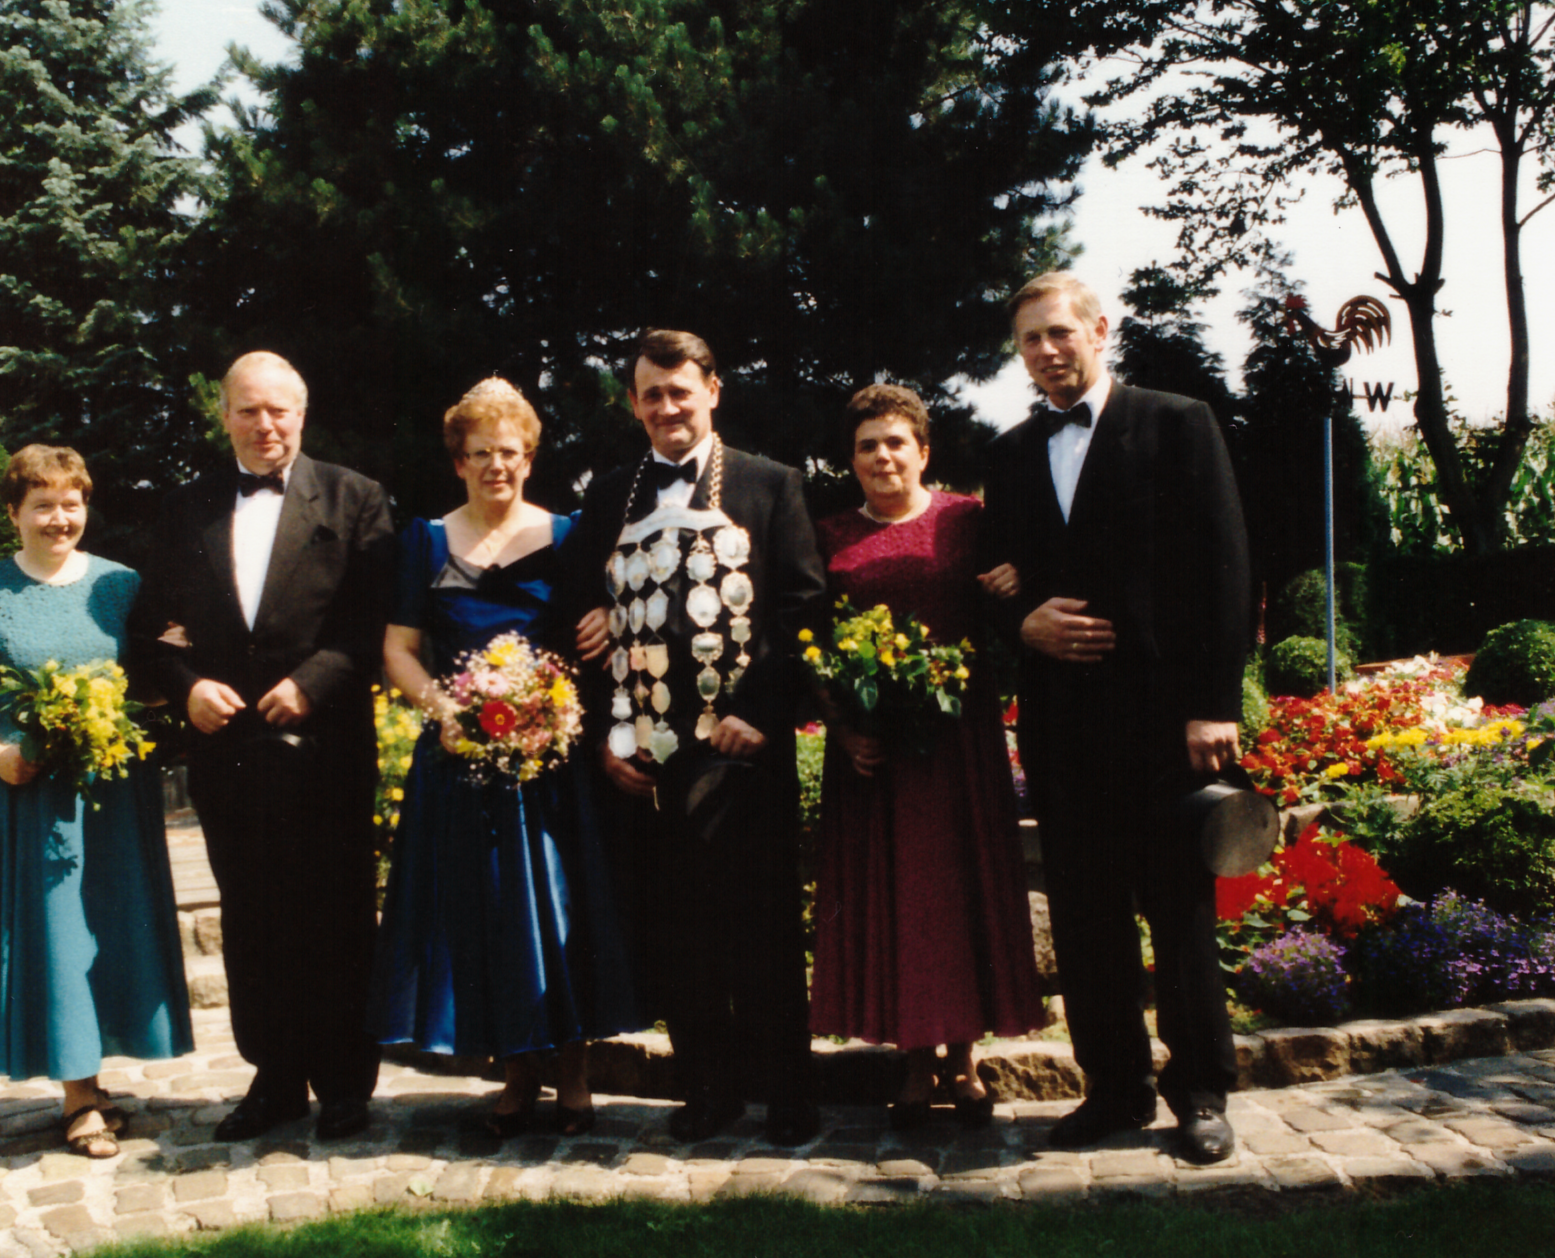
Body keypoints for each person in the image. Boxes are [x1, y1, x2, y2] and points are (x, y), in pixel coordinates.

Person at [982, 272, 1251, 1165]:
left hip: (1162, 719)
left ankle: (1200, 1091)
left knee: (1177, 910)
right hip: (1061, 725)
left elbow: (1224, 566)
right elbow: (992, 580)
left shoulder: (1177, 424)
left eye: (1060, 332)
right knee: (1087, 913)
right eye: (1031, 340)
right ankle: (1113, 1089)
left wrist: (1213, 705)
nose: (1047, 351)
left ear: (1100, 331)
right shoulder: (1009, 454)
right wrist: (1021, 624)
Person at [568, 329, 826, 1146]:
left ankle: (788, 1095)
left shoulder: (772, 484)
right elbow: (579, 617)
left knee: (762, 928)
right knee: (678, 931)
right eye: (651, 394)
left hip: (742, 744)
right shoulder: (609, 494)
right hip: (645, 752)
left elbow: (804, 610)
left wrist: (764, 713)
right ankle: (708, 1089)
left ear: (713, 390)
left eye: (680, 390)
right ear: (633, 403)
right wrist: (605, 736)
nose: (667, 407)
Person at [129, 352, 394, 1143]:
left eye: (279, 409)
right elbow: (150, 631)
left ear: (301, 414)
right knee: (251, 920)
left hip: (325, 749)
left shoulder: (355, 497)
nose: (265, 424)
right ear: (224, 417)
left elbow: (377, 621)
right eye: (248, 410)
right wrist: (186, 687)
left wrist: (314, 681)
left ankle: (344, 1082)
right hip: (229, 755)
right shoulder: (185, 510)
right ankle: (274, 1077)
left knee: (336, 915)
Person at [369, 378, 639, 1138]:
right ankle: (516, 1076)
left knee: (560, 910)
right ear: (459, 462)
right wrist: (447, 712)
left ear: (530, 459)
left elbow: (604, 617)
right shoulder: (424, 541)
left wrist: (601, 624)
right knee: (486, 914)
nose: (498, 465)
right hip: (462, 760)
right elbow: (399, 649)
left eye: (511, 453)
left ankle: (574, 1076)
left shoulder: (570, 534)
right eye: (482, 453)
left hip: (555, 764)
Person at [0, 445, 194, 1159]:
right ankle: (80, 1096)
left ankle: (98, 1076)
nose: (59, 518)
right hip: (31, 795)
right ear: (13, 513)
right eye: (42, 505)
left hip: (114, 793)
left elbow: (152, 679)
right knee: (57, 934)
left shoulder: (121, 585)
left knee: (113, 927)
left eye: (71, 503)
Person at [808, 385, 1047, 1129]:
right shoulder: (828, 535)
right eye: (867, 446)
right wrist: (844, 729)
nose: (882, 456)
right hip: (875, 751)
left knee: (957, 894)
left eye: (895, 442)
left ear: (923, 451)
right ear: (850, 460)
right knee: (902, 902)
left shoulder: (968, 521)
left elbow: (1015, 596)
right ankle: (914, 1061)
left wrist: (1018, 580)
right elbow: (811, 644)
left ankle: (965, 1061)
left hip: (958, 742)